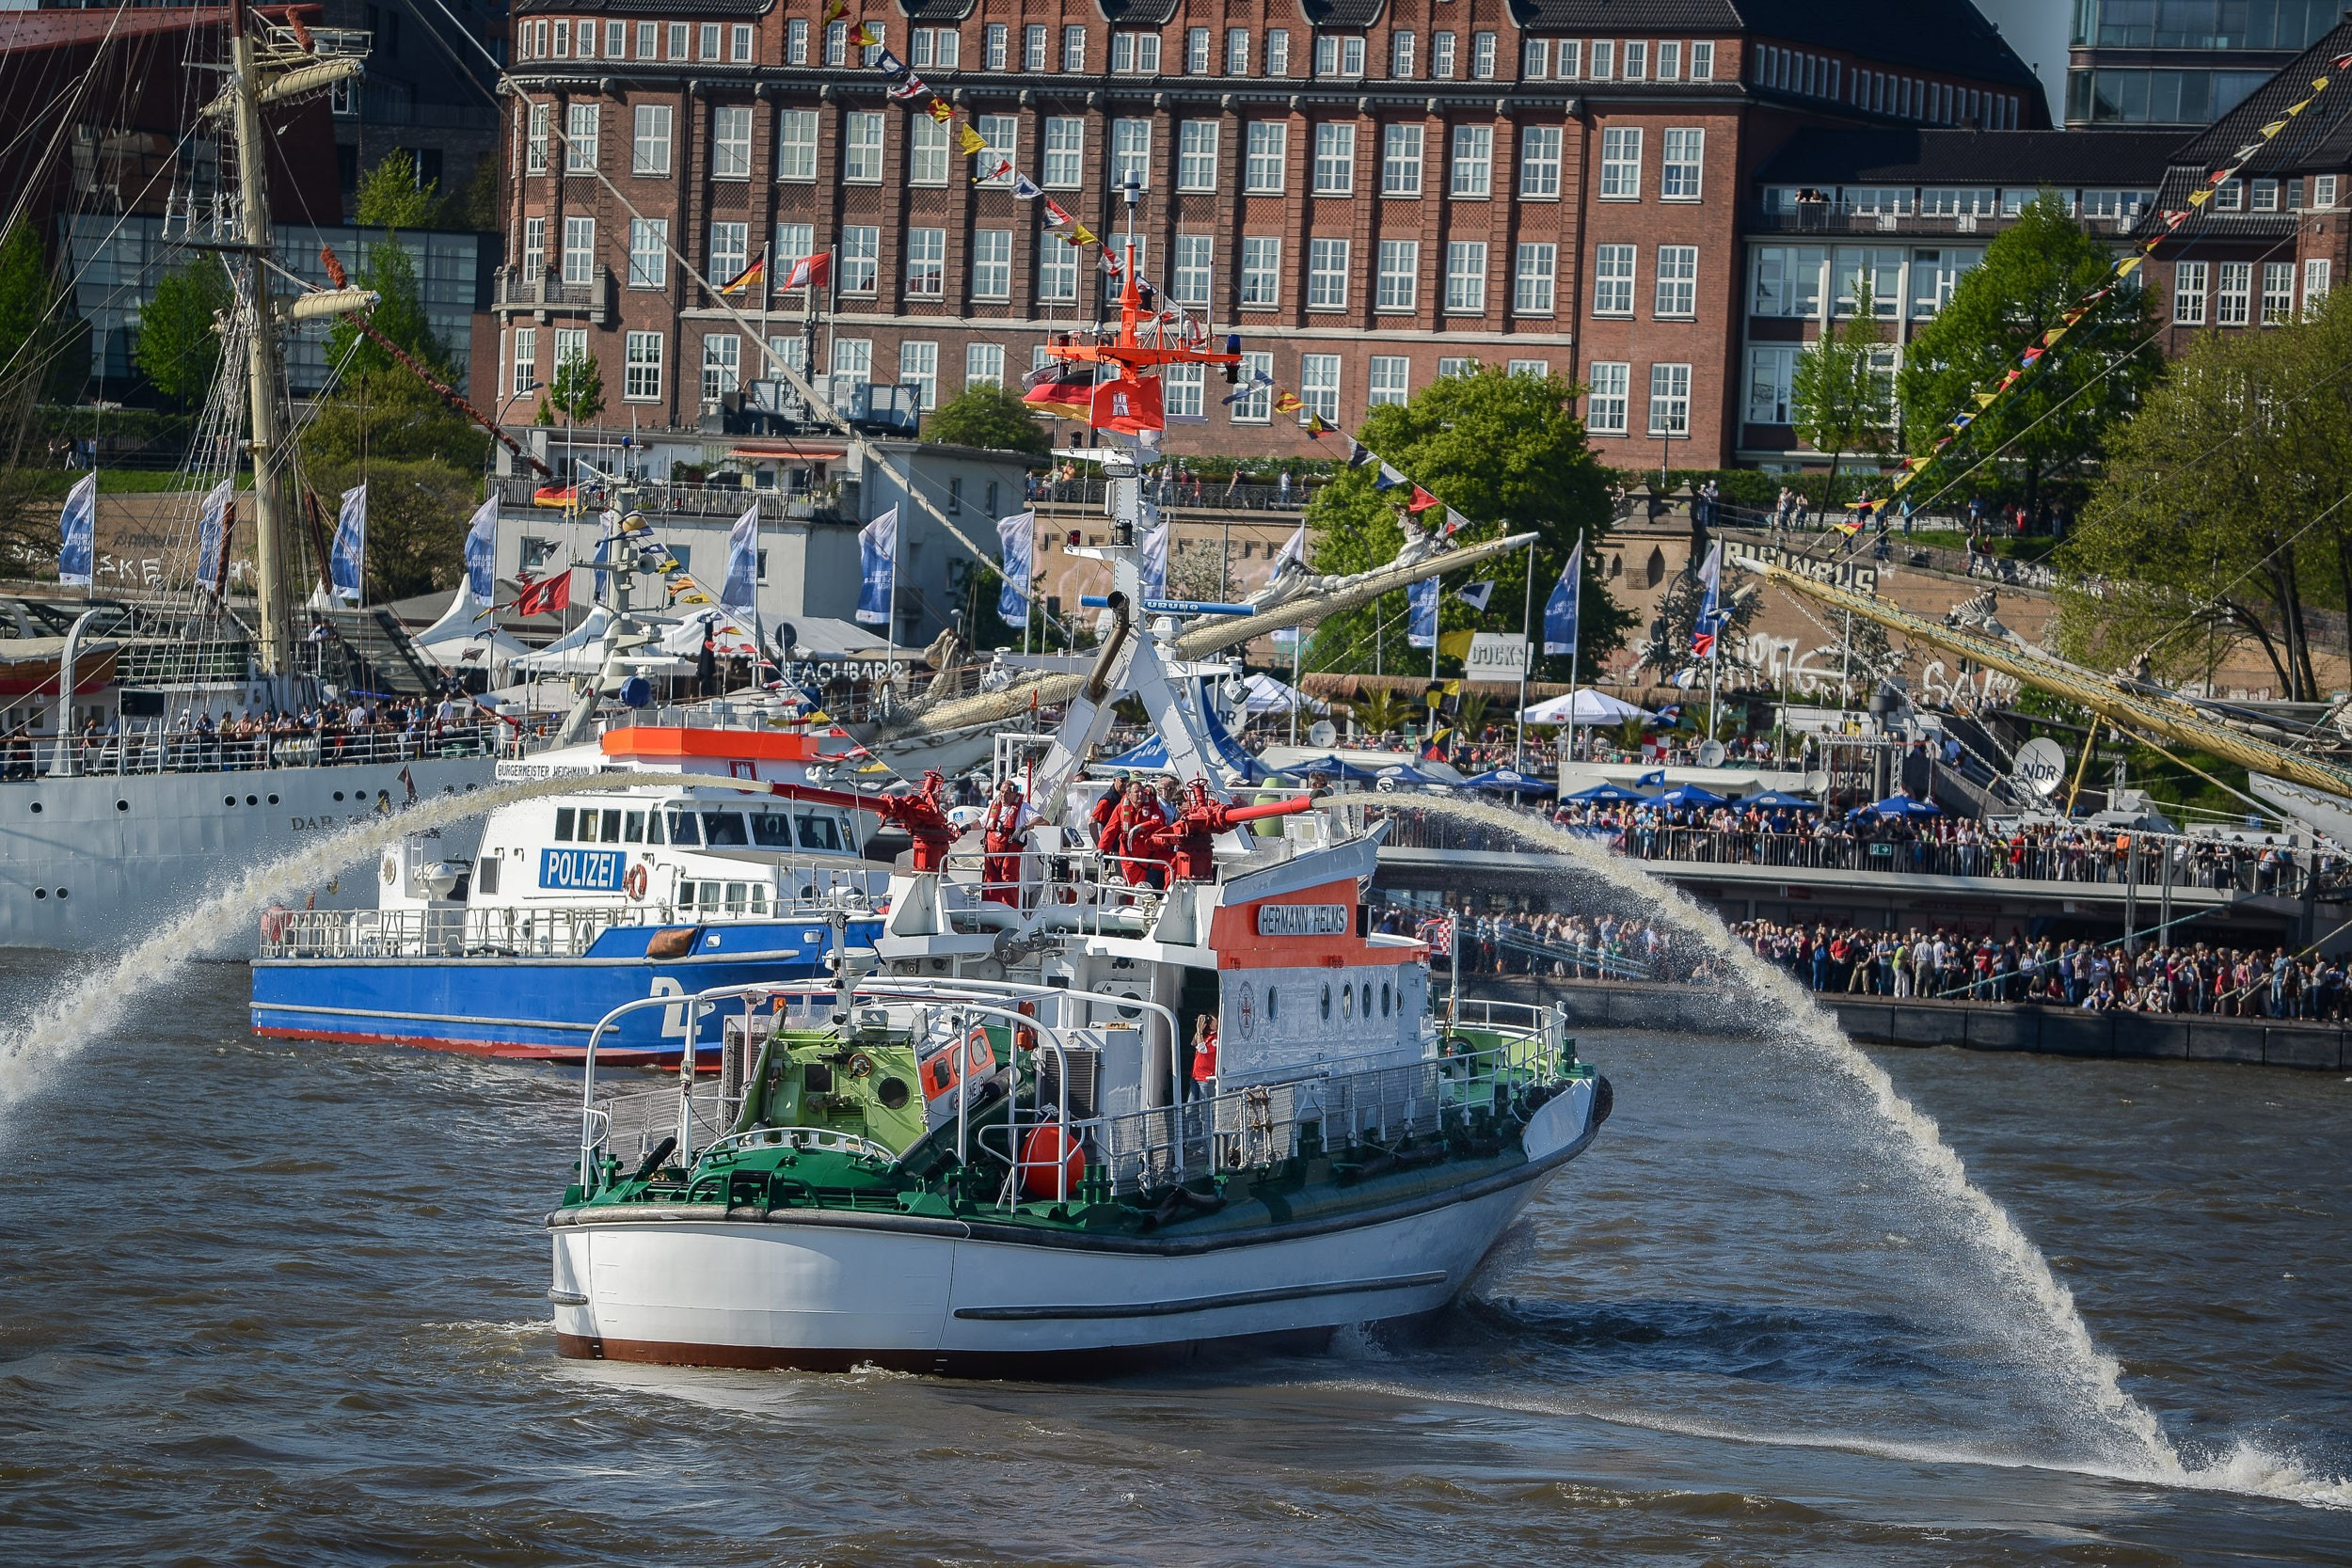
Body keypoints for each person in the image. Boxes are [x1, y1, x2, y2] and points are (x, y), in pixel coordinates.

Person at [980, 780, 1037, 906]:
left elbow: (1040, 820)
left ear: (1014, 794)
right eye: (1001, 792)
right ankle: (989, 918)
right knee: (989, 883)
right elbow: (981, 822)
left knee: (1008, 882)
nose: (1003, 796)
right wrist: (966, 827)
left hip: (1010, 855)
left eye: (1007, 793)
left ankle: (1009, 915)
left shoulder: (1023, 807)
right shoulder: (993, 806)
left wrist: (1024, 827)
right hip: (991, 855)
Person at [1186, 1012, 1218, 1101]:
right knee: (1191, 1108)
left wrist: (1200, 1032)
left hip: (1206, 1078)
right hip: (1196, 1076)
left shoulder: (1217, 1037)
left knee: (1205, 1109)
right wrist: (1199, 1030)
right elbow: (1194, 1043)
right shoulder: (1205, 1034)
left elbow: (1202, 1049)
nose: (1210, 1022)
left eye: (1212, 1020)